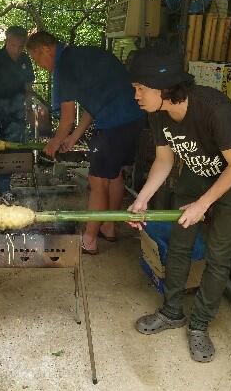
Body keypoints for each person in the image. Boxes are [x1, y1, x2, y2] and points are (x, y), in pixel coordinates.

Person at [127, 43, 231, 362]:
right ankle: (171, 312)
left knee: (219, 254)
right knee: (180, 243)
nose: (136, 95)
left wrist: (204, 204)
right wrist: (142, 199)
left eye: (140, 88)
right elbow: (164, 159)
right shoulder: (158, 113)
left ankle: (200, 325)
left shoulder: (215, 109)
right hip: (199, 169)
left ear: (163, 86)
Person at [26, 31, 144, 254]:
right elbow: (93, 104)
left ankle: (88, 240)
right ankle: (108, 226)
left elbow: (67, 118)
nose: (38, 65)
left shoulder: (63, 66)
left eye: (36, 58)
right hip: (134, 118)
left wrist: (54, 142)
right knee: (114, 175)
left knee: (97, 181)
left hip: (113, 122)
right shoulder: (84, 55)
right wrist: (73, 138)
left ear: (46, 49)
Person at [0, 26, 35, 205]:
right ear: (7, 41)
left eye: (20, 46)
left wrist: (28, 107)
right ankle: (3, 187)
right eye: (13, 45)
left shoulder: (25, 59)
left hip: (18, 111)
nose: (17, 50)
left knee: (13, 148)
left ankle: (5, 186)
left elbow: (28, 86)